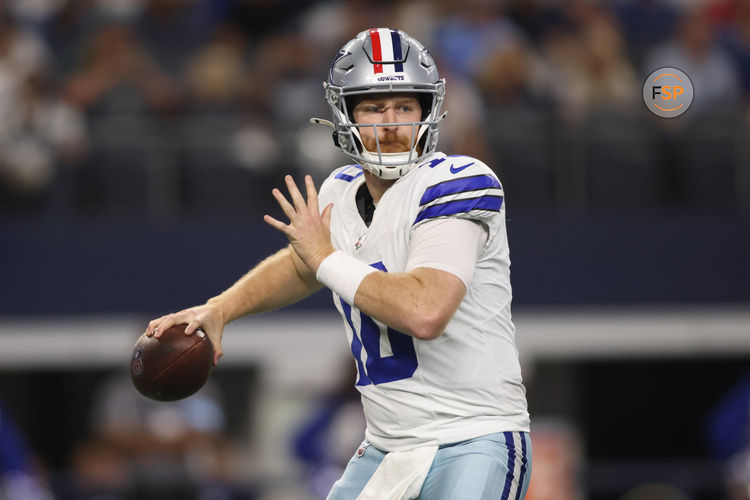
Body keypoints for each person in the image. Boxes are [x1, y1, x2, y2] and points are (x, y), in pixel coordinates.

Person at [146, 28, 531, 499]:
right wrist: (220, 309)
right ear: (344, 114)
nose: (390, 124)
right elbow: (302, 266)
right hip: (387, 445)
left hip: (473, 436)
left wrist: (324, 256)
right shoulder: (340, 192)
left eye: (405, 107)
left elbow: (425, 311)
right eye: (373, 107)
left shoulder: (460, 181)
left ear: (427, 112)